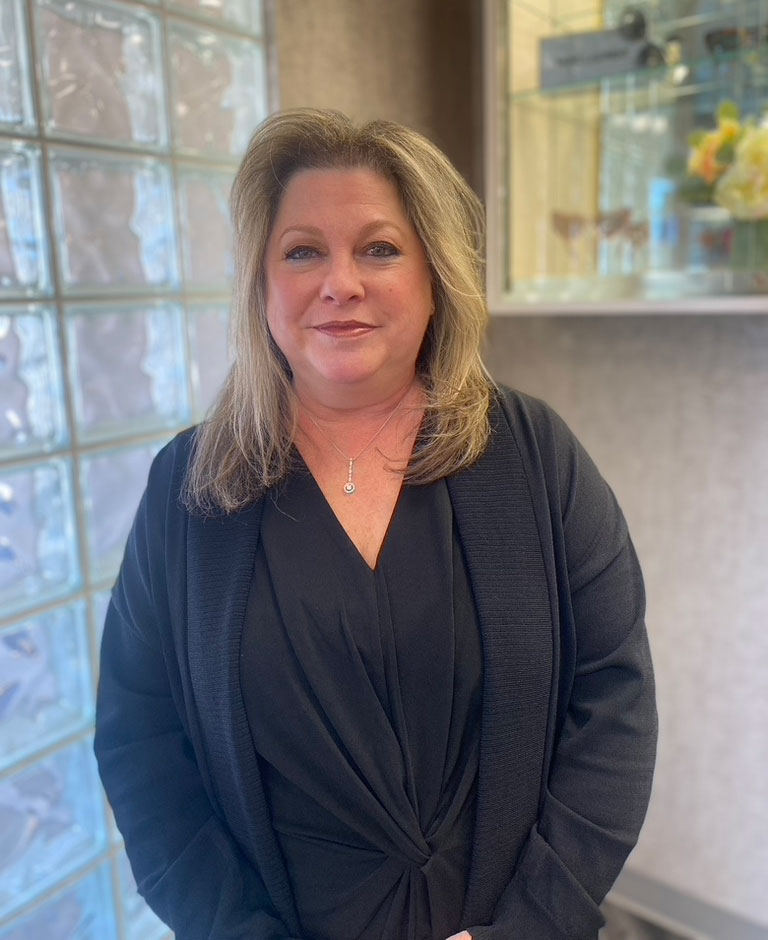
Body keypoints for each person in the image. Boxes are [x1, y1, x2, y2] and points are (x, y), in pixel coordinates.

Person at [94, 108, 657, 940]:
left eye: (380, 248)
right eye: (302, 251)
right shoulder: (192, 488)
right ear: (261, 285)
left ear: (436, 277)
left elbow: (614, 700)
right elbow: (140, 743)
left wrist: (533, 927)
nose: (340, 283)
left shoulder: (534, 456)